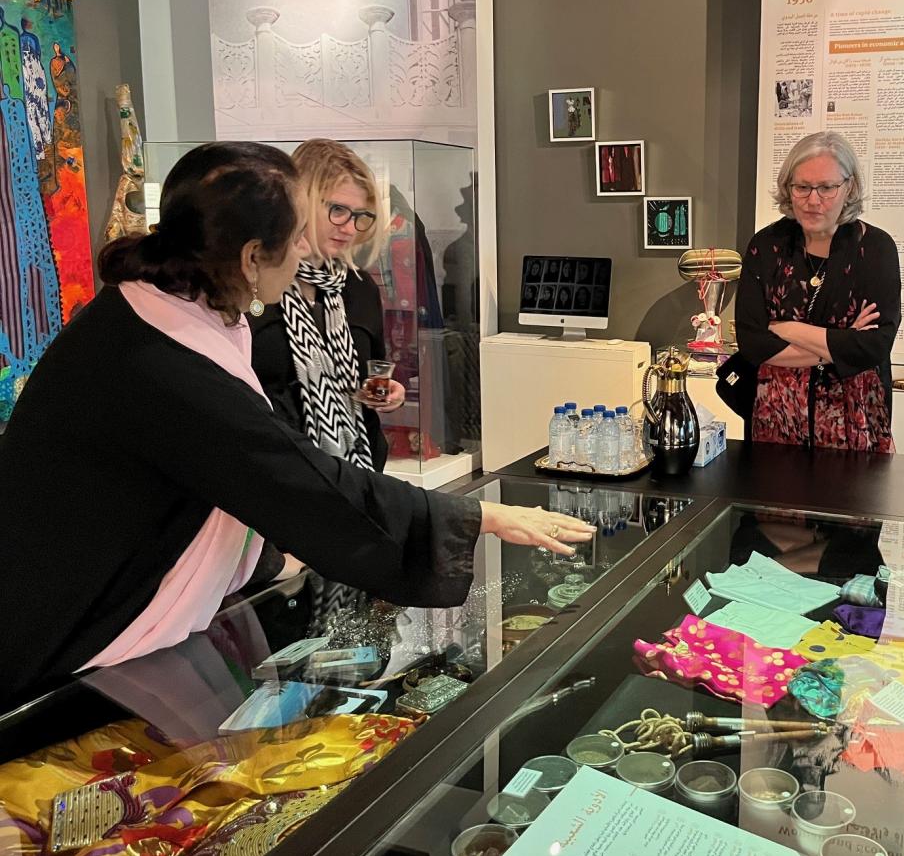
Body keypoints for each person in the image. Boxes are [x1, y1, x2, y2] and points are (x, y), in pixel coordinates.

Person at [0, 141, 592, 709]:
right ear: (253, 257)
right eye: (300, 235)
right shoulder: (161, 358)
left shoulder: (160, 315)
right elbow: (285, 470)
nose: (320, 243)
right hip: (61, 639)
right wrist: (478, 515)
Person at [736, 131, 901, 452]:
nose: (813, 200)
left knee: (852, 501)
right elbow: (753, 343)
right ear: (788, 188)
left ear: (849, 187)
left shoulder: (876, 248)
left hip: (856, 423)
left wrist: (789, 329)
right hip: (775, 420)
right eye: (802, 187)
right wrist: (841, 341)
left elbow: (873, 345)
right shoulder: (767, 246)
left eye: (826, 187)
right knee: (775, 501)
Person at [251, 139, 401, 473]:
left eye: (360, 216)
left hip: (356, 473)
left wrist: (387, 393)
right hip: (275, 472)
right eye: (337, 210)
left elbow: (370, 371)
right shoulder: (254, 283)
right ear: (300, 203)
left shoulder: (359, 287)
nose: (349, 227)